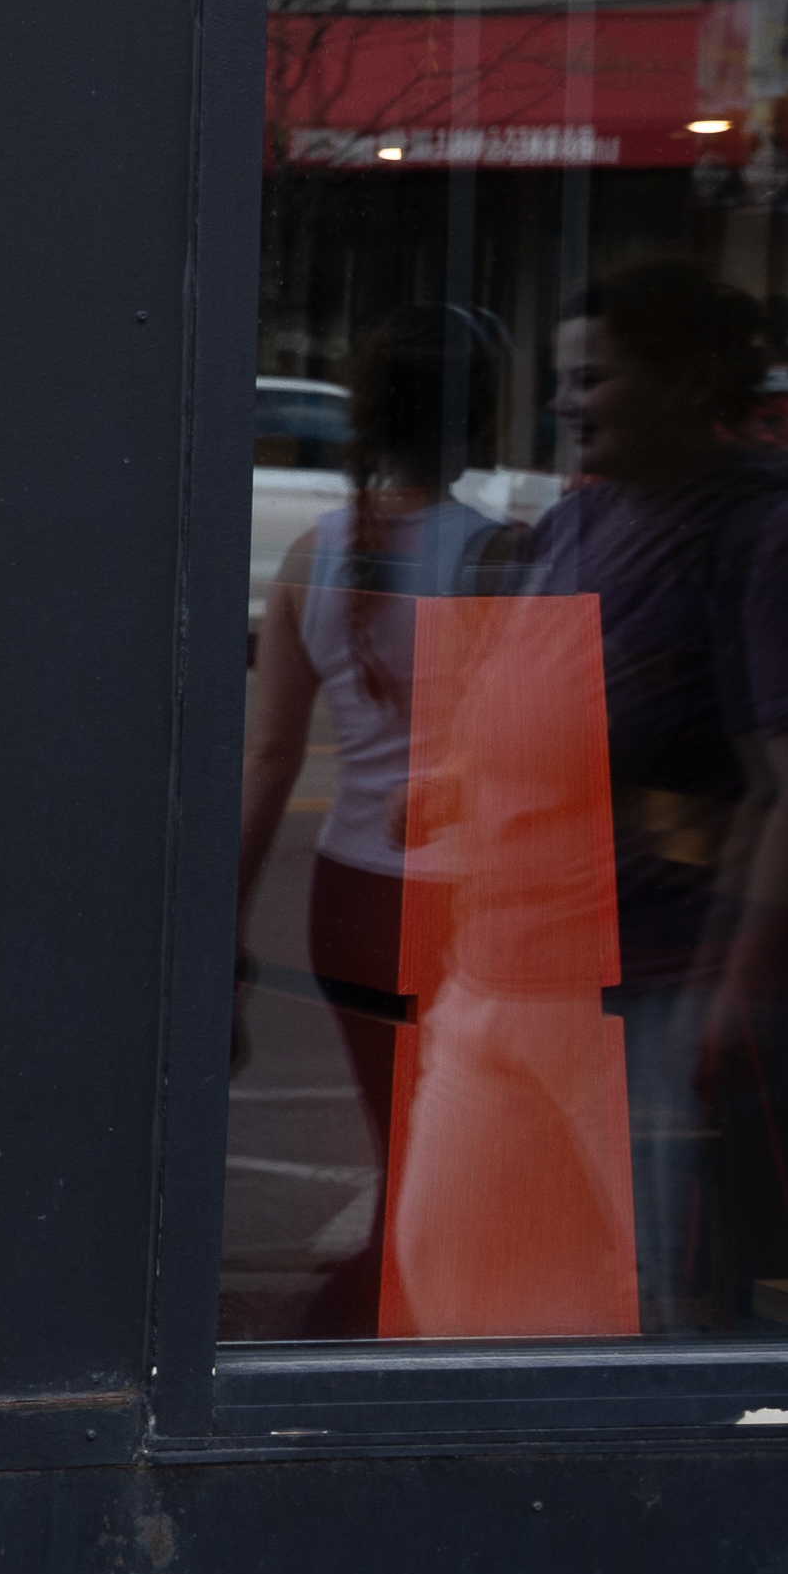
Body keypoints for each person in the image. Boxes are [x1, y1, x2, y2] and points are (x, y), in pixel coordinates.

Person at [510, 257, 788, 1323]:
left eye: (591, 377)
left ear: (694, 381)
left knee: (674, 1299)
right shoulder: (576, 525)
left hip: (674, 992)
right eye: (561, 379)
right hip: (554, 978)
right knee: (559, 1286)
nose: (563, 403)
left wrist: (740, 991)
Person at [233, 305, 512, 1329]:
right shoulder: (501, 556)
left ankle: (372, 1323)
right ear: (482, 424)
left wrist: (231, 921)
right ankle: (391, 1329)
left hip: (350, 893)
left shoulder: (316, 551)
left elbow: (268, 756)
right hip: (476, 901)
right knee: (459, 1156)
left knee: (402, 1143)